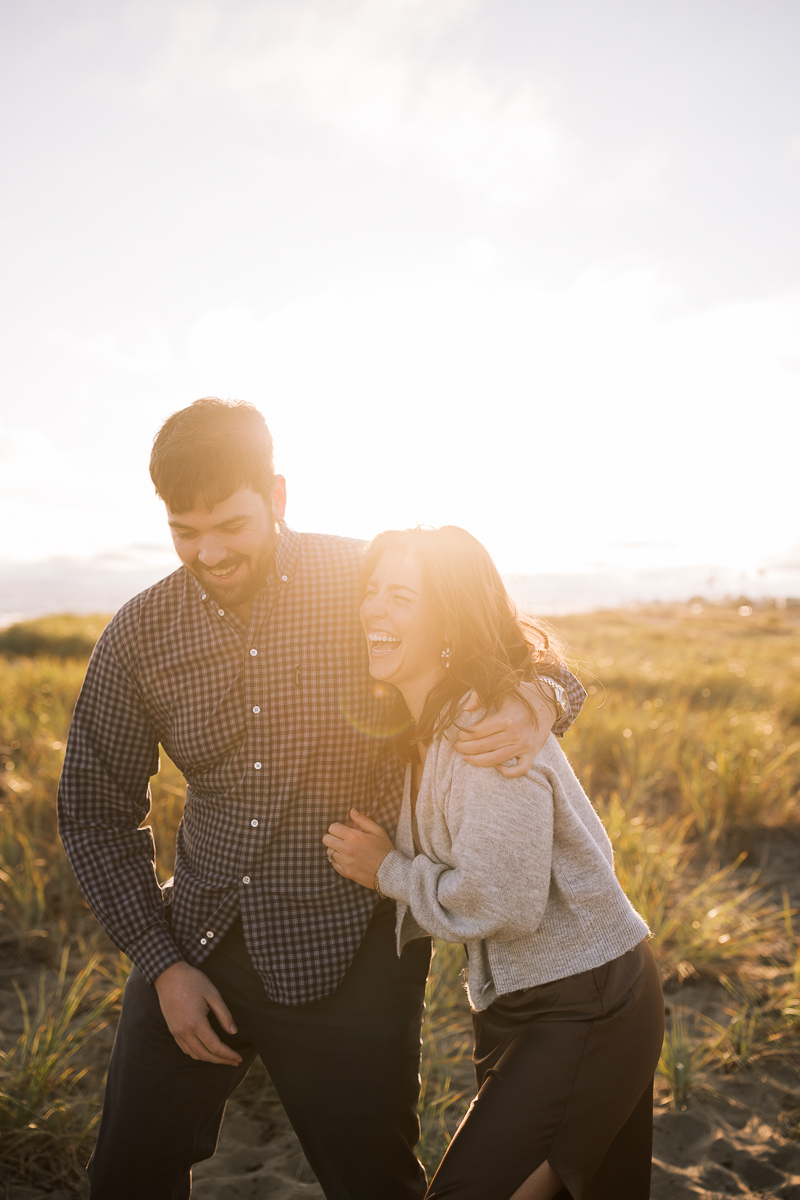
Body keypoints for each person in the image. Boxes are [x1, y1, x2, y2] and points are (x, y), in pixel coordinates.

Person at [57, 398, 586, 1200]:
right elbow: (95, 811)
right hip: (195, 941)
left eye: (230, 524)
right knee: (126, 1177)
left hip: (355, 951)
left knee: (373, 1182)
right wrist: (162, 967)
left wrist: (540, 699)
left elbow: (515, 652)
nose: (209, 552)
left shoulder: (368, 581)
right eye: (184, 531)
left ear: (275, 496)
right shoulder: (140, 635)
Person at [324, 525, 665, 1200]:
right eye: (372, 593)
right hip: (527, 1006)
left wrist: (387, 869)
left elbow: (503, 901)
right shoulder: (429, 724)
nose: (374, 611)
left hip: (588, 1002)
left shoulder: (479, 731)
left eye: (401, 597)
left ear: (447, 619)